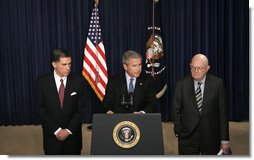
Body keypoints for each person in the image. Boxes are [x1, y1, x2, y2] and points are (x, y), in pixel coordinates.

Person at [172, 53, 231, 155]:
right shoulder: (181, 84)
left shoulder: (218, 84)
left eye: (199, 68)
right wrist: (179, 130)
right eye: (193, 68)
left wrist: (224, 140)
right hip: (187, 137)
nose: (195, 71)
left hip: (211, 137)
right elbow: (175, 110)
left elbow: (223, 114)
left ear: (207, 68)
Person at [36, 49, 85, 155]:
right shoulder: (42, 82)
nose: (68, 68)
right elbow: (40, 108)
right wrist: (56, 130)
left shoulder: (79, 81)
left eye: (70, 64)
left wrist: (68, 130)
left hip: (73, 137)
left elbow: (81, 109)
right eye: (64, 64)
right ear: (54, 64)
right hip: (52, 137)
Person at [103, 50, 156, 114]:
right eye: (134, 66)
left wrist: (142, 112)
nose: (138, 69)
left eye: (139, 65)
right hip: (119, 120)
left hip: (140, 119)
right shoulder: (114, 81)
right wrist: (109, 111)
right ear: (125, 67)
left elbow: (151, 102)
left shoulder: (148, 80)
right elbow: (107, 102)